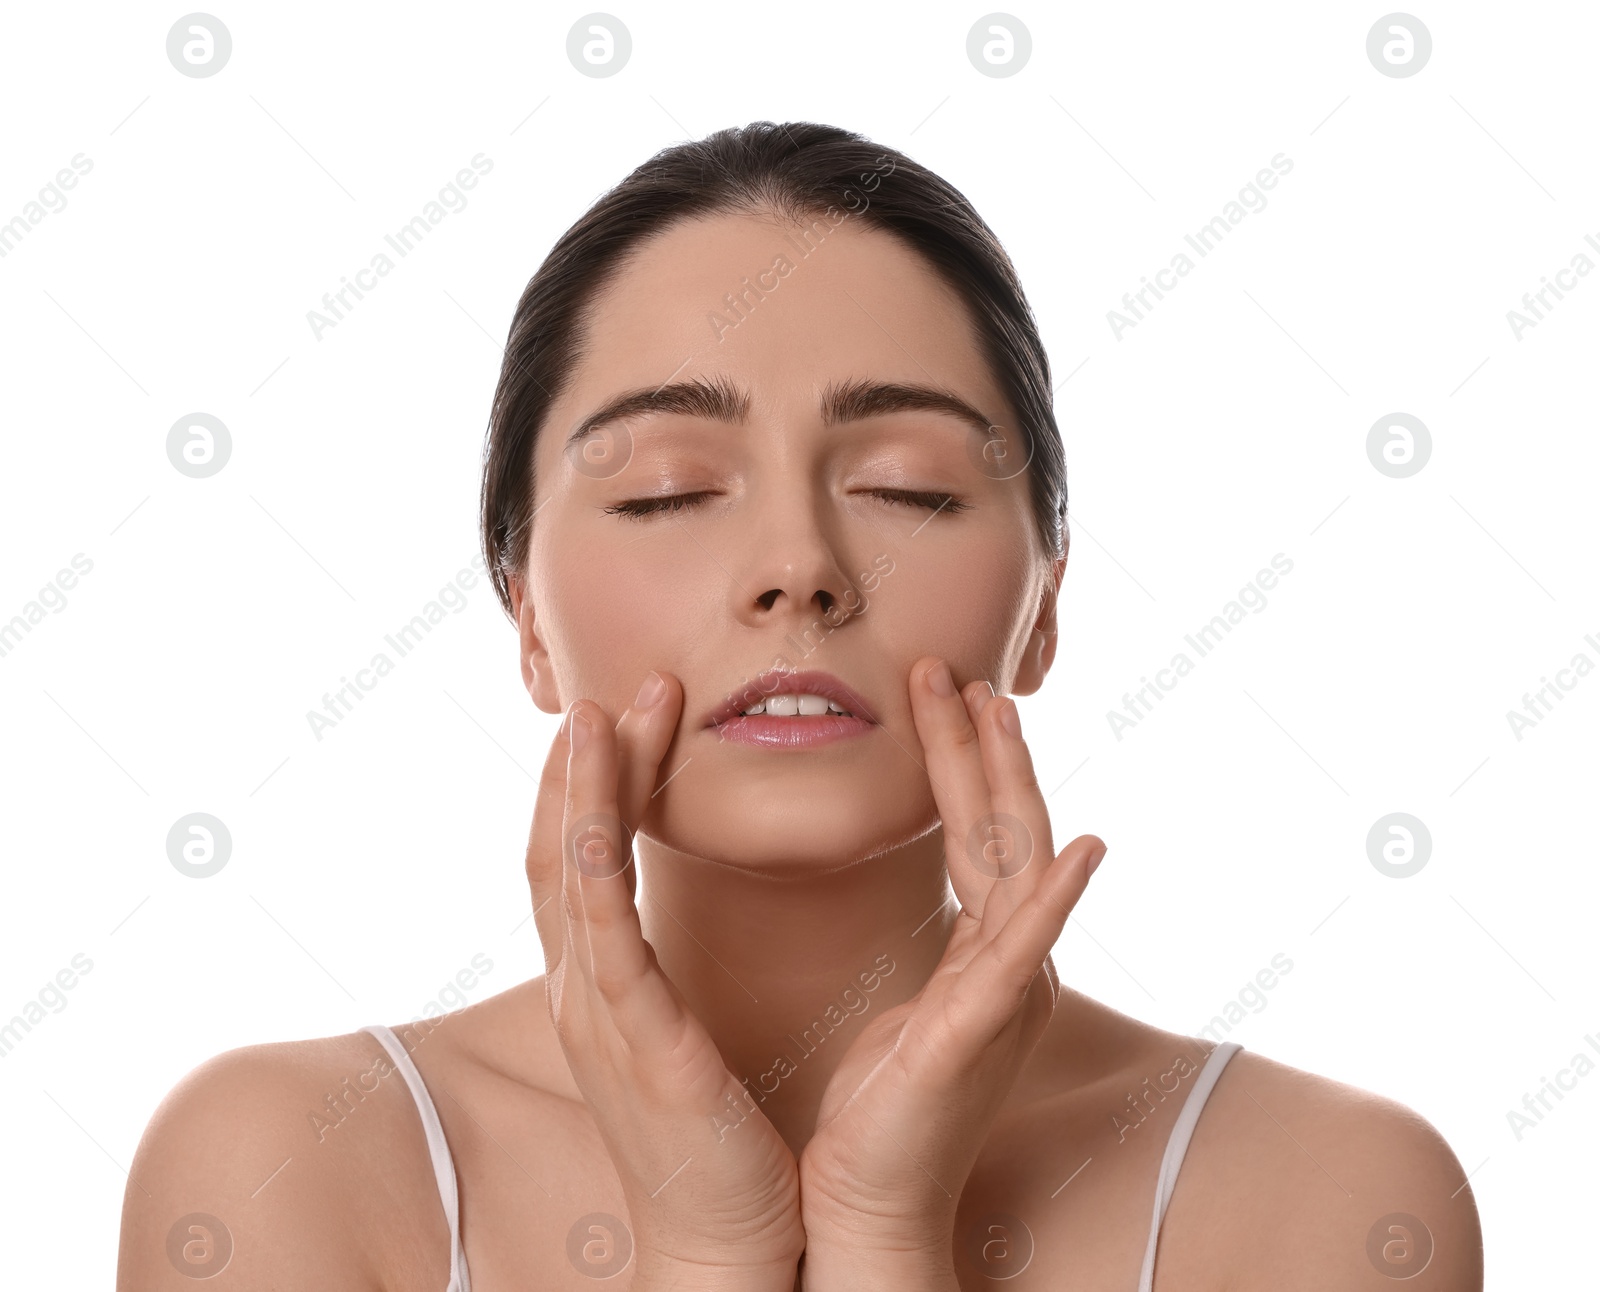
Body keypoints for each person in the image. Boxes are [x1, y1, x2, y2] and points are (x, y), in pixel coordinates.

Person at [117, 121, 1483, 1290]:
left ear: (1048, 603)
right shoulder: (284, 1168)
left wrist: (888, 1237)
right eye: (665, 490)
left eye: (906, 486)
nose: (800, 572)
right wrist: (705, 1242)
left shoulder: (1330, 1195)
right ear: (526, 619)